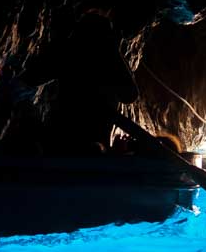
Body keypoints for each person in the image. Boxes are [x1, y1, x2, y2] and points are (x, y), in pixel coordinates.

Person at [22, 9, 139, 154]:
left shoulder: (69, 52)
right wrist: (114, 52)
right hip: (94, 133)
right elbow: (130, 95)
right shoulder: (108, 58)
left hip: (65, 130)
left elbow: (32, 77)